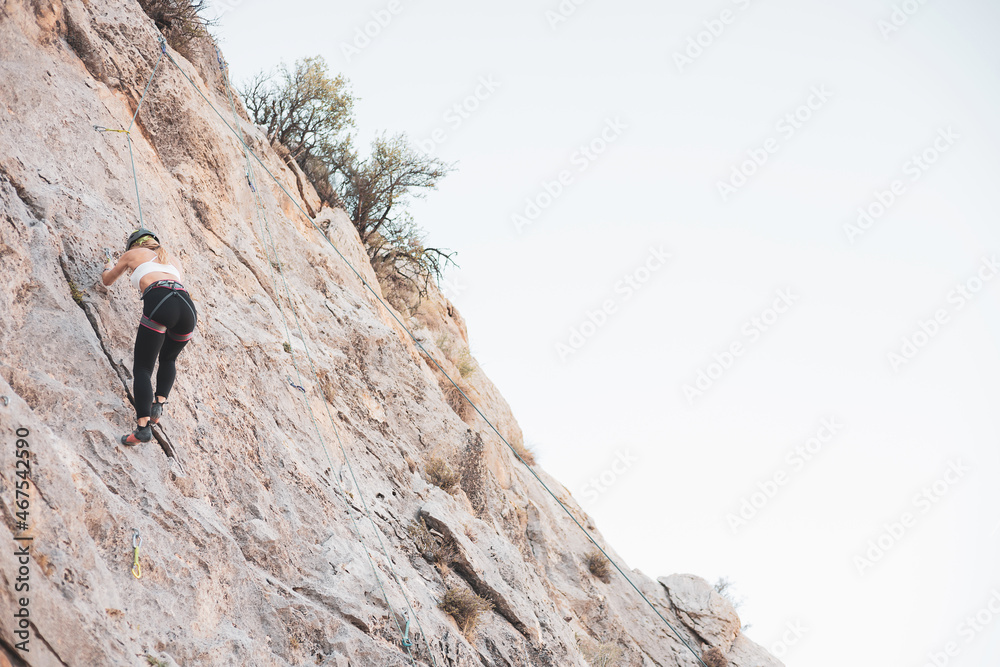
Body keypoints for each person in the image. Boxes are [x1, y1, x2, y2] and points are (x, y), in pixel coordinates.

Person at [102, 229, 197, 445]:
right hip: (187, 308)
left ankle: (143, 428)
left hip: (161, 301)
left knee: (143, 368)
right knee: (169, 358)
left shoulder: (132, 255)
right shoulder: (172, 259)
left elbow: (107, 280)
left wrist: (108, 264)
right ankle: (159, 404)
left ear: (134, 245)